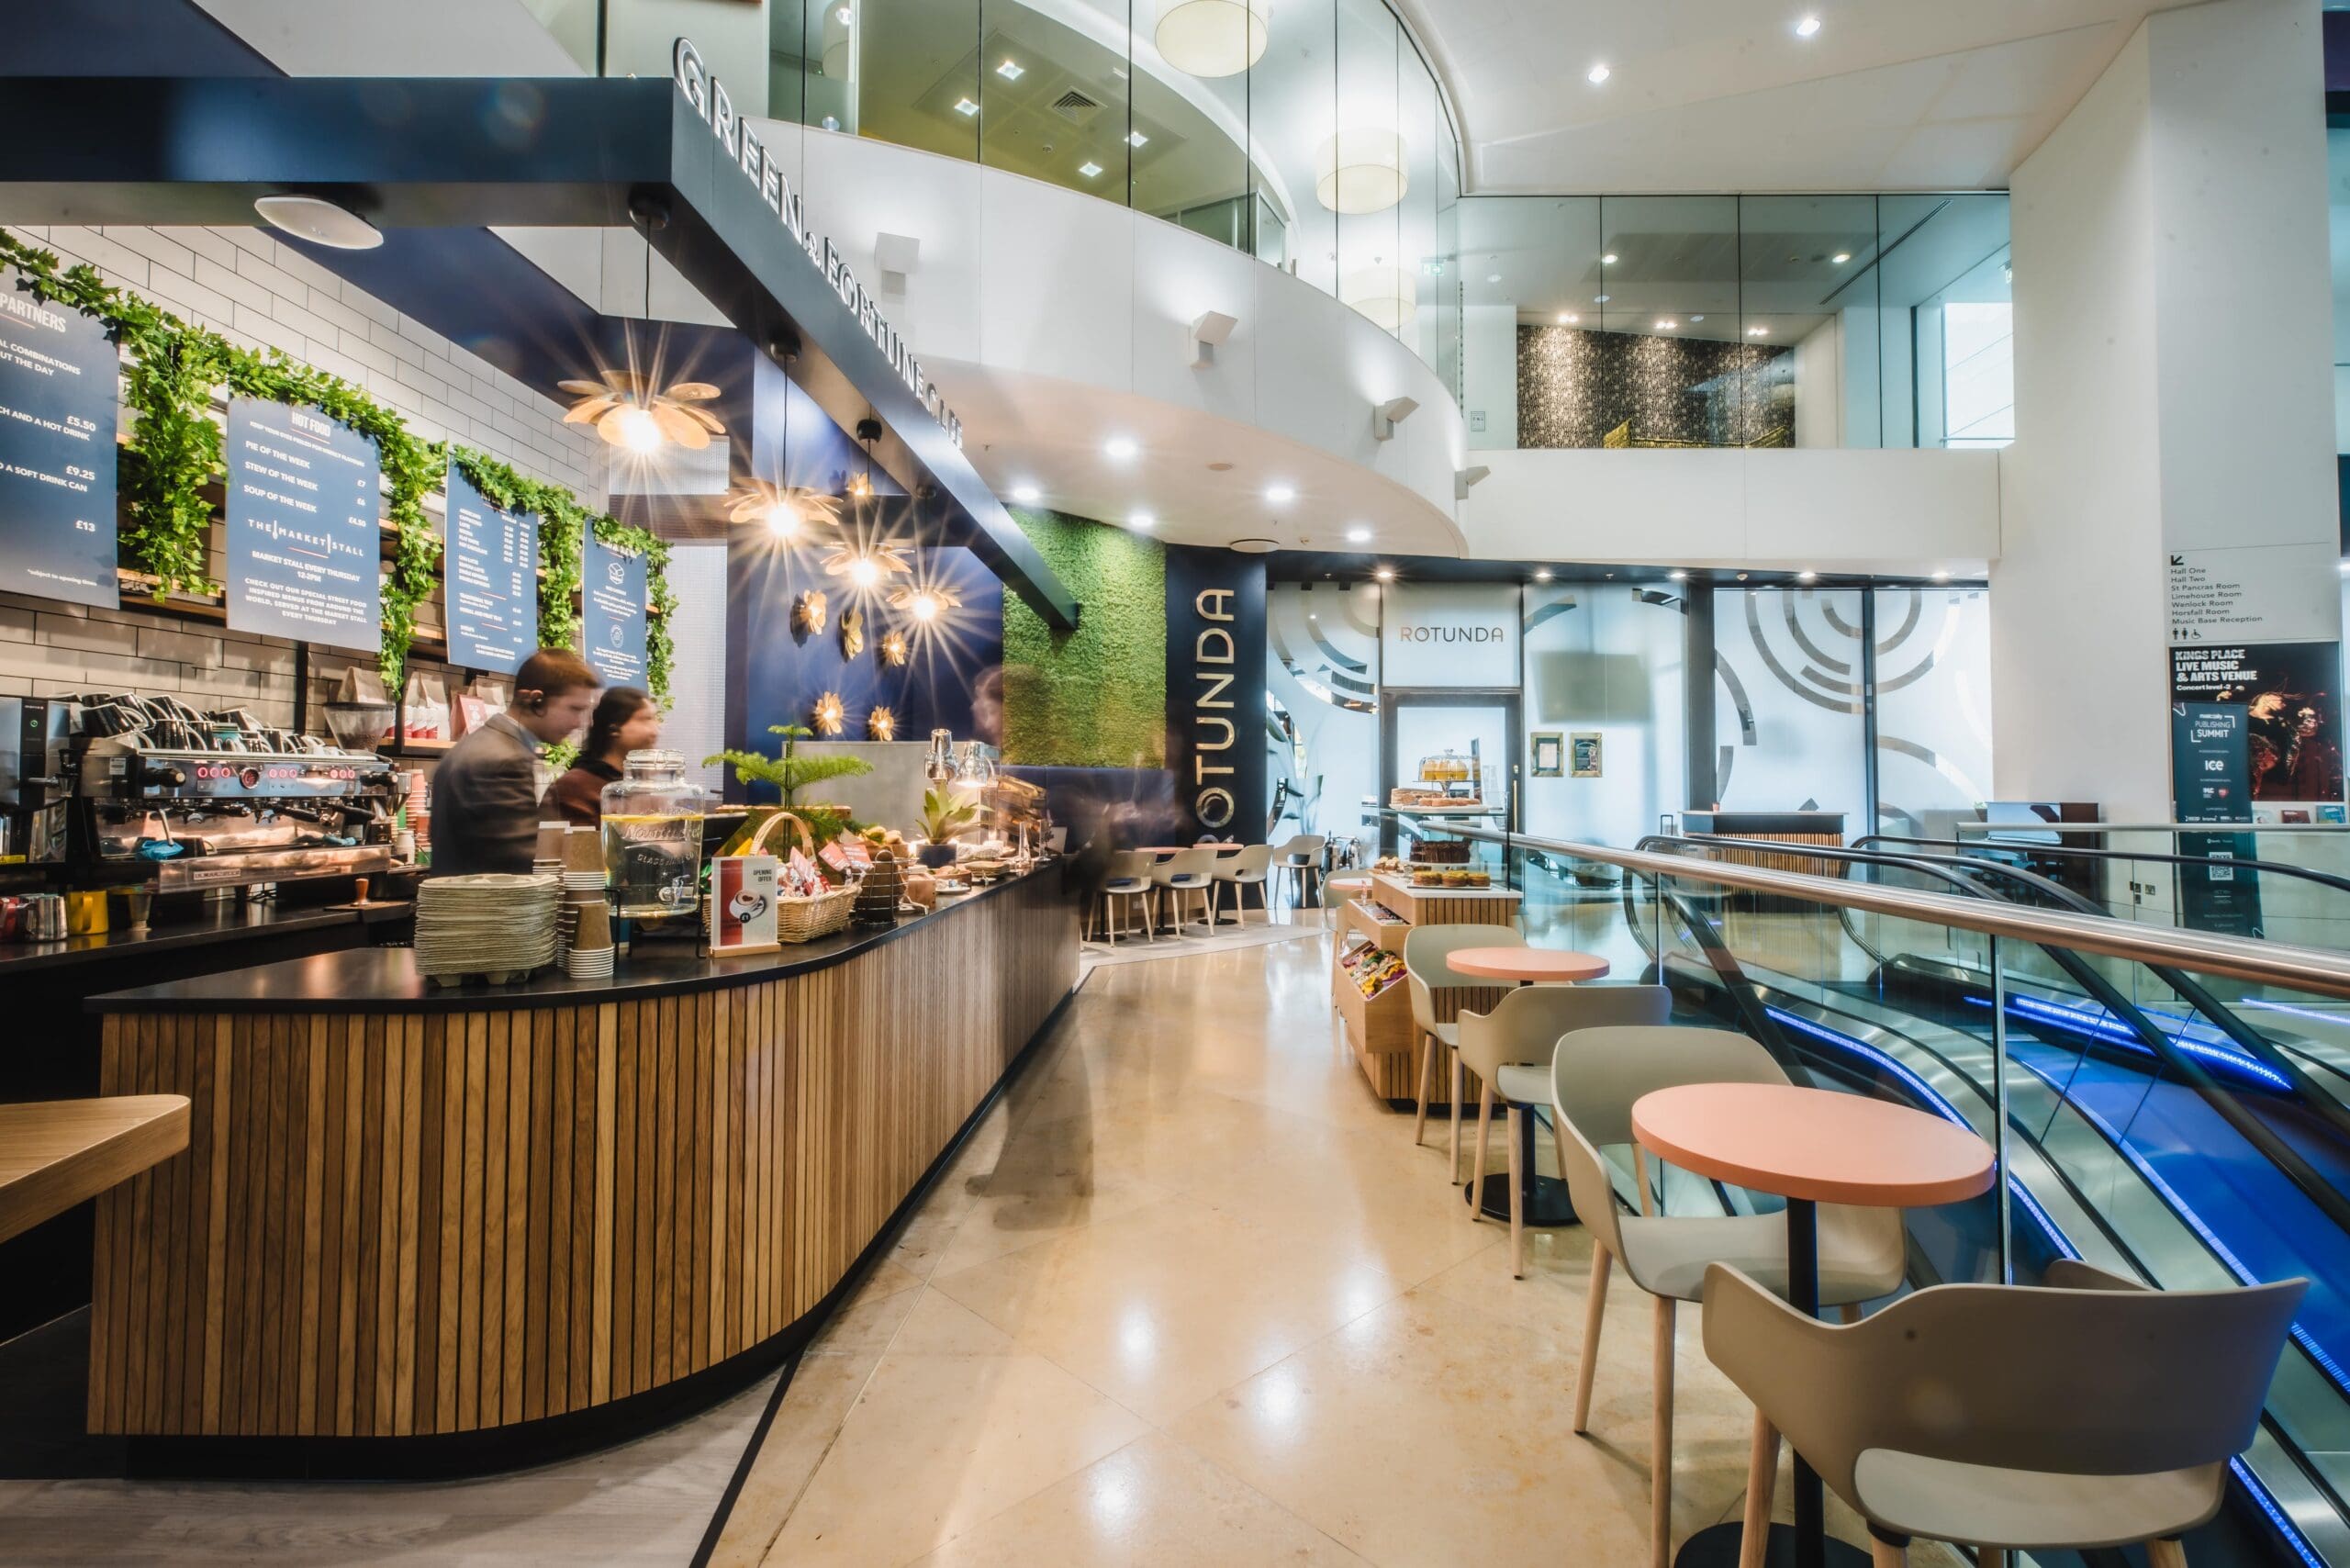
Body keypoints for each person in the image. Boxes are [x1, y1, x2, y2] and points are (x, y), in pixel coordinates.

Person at [429, 648, 599, 876]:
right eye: (574, 709)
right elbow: (526, 862)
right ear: (536, 700)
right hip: (487, 908)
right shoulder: (504, 760)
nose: (579, 723)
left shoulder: (484, 744)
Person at [544, 686, 658, 828]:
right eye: (645, 719)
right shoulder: (574, 787)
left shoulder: (642, 785)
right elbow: (581, 847)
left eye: (655, 719)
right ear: (614, 729)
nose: (655, 730)